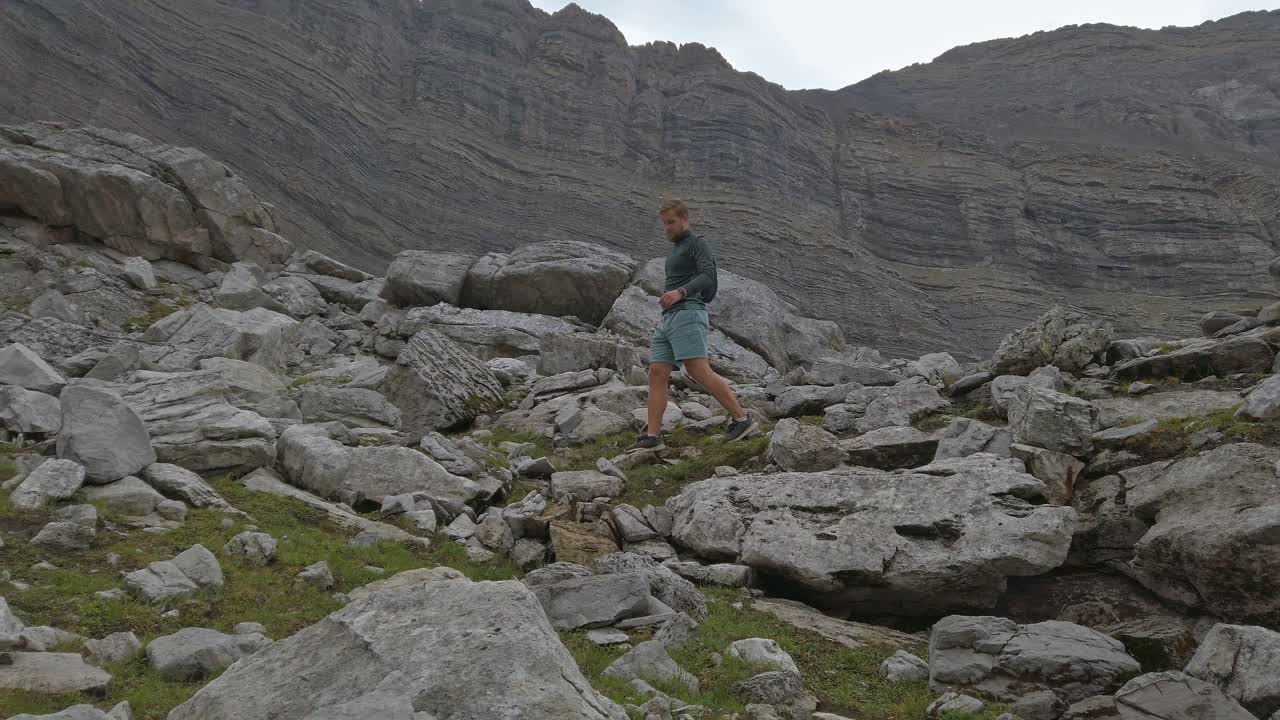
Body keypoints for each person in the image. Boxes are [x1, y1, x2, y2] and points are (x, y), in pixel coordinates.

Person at [629, 198, 759, 450]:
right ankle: (652, 437)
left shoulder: (697, 243)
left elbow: (709, 274)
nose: (666, 228)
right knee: (656, 373)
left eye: (671, 222)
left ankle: (742, 419)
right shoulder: (676, 248)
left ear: (685, 219)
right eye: (663, 223)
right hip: (669, 319)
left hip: (688, 313)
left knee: (698, 370)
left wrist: (681, 292)